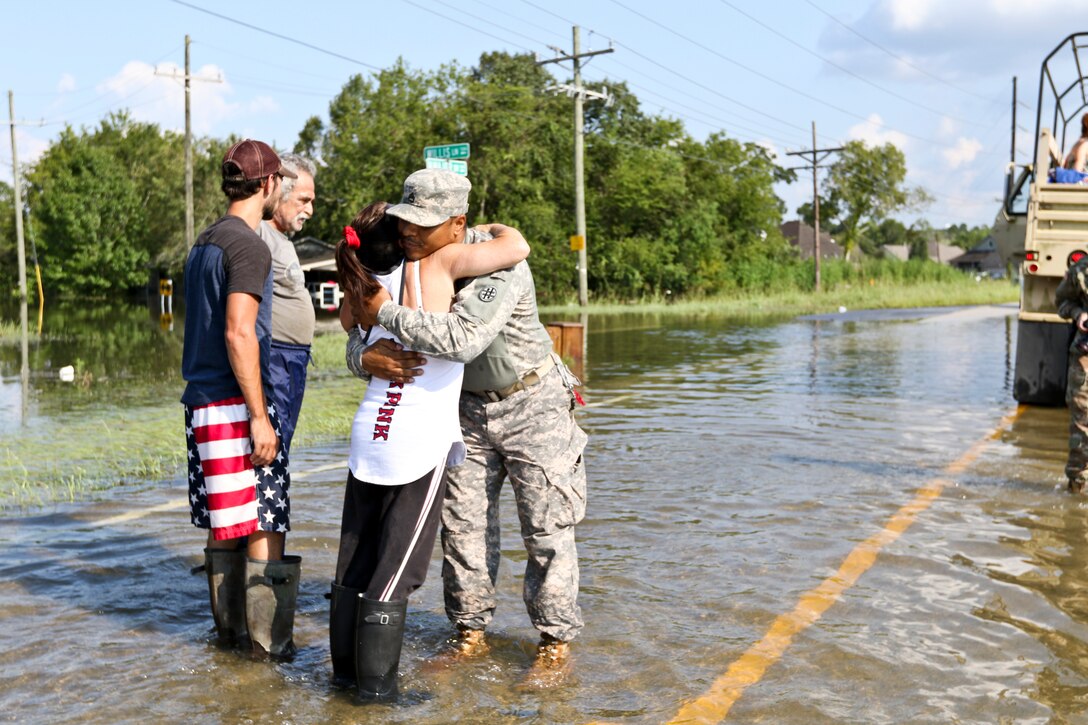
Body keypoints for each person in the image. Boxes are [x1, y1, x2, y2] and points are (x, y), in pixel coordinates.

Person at [347, 168, 588, 689]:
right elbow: (357, 330)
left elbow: (460, 341)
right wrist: (366, 358)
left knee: (546, 528)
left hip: (533, 405)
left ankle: (553, 644)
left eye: (422, 224)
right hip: (462, 414)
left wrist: (386, 312)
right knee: (462, 528)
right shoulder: (402, 257)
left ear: (457, 224)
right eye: (403, 221)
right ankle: (470, 633)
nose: (408, 232)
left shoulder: (496, 264)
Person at [329, 190, 529, 701]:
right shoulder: (442, 261)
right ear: (400, 236)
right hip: (415, 440)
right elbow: (516, 249)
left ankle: (343, 682)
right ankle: (376, 696)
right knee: (401, 568)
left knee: (355, 560)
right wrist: (498, 228)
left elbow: (349, 327)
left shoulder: (361, 281)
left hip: (370, 431)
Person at [181, 138, 302, 659]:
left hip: (202, 401)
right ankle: (266, 652)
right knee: (262, 521)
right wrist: (259, 416)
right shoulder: (249, 245)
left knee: (224, 523)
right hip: (235, 404)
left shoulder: (206, 240)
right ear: (270, 184)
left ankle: (229, 645)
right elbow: (238, 333)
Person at [257, 153, 317, 455]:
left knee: (283, 443)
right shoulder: (259, 234)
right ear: (280, 193)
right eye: (304, 200)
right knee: (272, 447)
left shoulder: (282, 239)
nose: (309, 210)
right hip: (275, 359)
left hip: (293, 359)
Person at [1057, 256, 1088, 492]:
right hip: (1085, 357)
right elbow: (1061, 302)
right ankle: (1077, 491)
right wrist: (1078, 314)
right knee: (1082, 426)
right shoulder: (1081, 270)